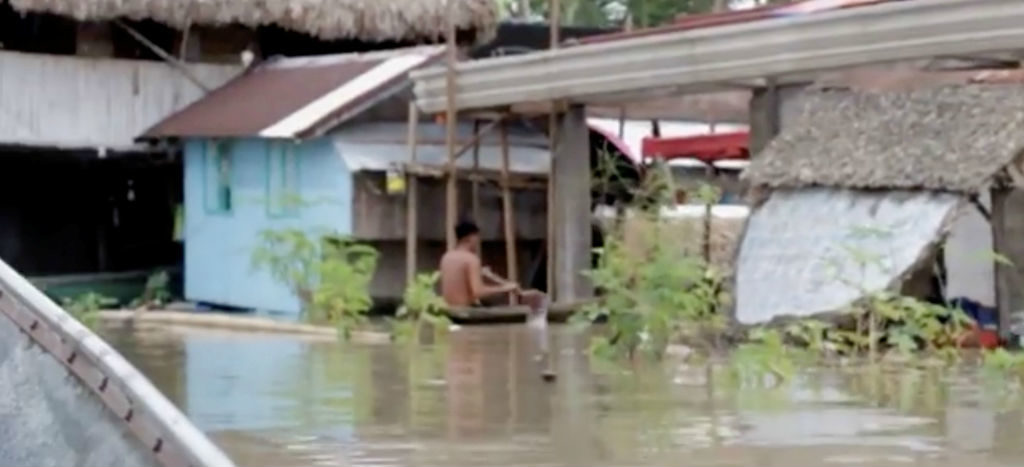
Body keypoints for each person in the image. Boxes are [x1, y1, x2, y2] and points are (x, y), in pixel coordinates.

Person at [440, 220, 520, 307]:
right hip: (466, 312)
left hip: (449, 310)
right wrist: (505, 289)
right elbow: (478, 292)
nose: (478, 240)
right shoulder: (471, 259)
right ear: (471, 237)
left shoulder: (446, 257)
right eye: (477, 237)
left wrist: (490, 276)